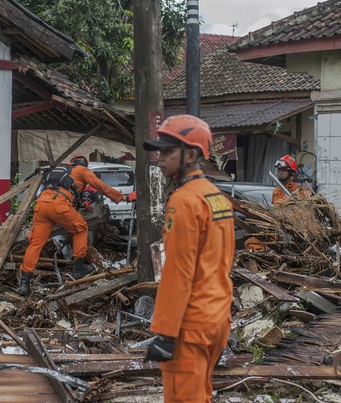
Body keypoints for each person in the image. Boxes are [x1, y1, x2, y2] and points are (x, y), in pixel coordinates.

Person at [142, 115, 235, 402]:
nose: (159, 159)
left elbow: (178, 271)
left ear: (192, 155)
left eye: (168, 152)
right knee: (200, 394)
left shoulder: (183, 201)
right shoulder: (216, 197)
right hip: (216, 317)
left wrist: (165, 332)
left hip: (189, 324)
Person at [17, 154, 136, 296]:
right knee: (81, 228)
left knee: (35, 244)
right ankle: (78, 267)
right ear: (83, 164)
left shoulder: (58, 170)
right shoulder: (81, 170)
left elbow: (55, 187)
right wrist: (123, 197)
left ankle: (25, 283)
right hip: (60, 206)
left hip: (41, 206)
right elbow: (99, 185)